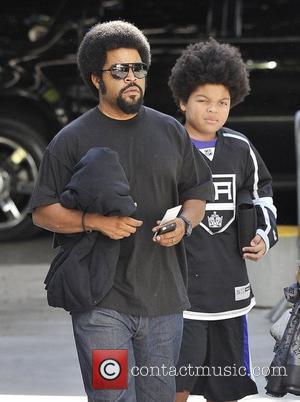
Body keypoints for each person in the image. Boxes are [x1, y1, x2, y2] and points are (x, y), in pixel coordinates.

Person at [29, 20, 214, 402]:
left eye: (138, 68)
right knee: (111, 397)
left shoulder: (169, 131)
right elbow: (42, 211)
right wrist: (94, 222)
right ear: (97, 79)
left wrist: (184, 223)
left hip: (163, 300)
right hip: (100, 303)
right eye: (120, 70)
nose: (132, 78)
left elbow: (197, 190)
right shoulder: (71, 139)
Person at [168, 38, 278, 402]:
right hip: (177, 291)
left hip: (229, 288)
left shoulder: (240, 148)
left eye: (223, 103)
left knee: (228, 386)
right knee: (175, 383)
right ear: (183, 100)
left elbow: (263, 194)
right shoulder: (166, 146)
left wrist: (263, 233)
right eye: (203, 100)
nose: (213, 110)